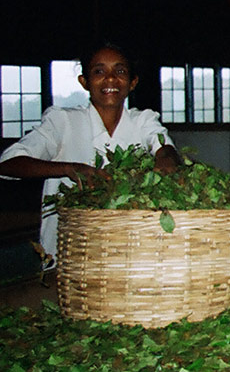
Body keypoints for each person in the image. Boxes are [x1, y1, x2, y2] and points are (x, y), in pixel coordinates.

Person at [0, 41, 179, 266]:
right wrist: (68, 169)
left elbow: (165, 148)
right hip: (69, 255)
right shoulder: (63, 122)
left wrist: (165, 157)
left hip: (131, 254)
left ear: (132, 83)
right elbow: (8, 163)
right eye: (99, 71)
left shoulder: (143, 121)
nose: (111, 79)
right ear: (84, 82)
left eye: (120, 71)